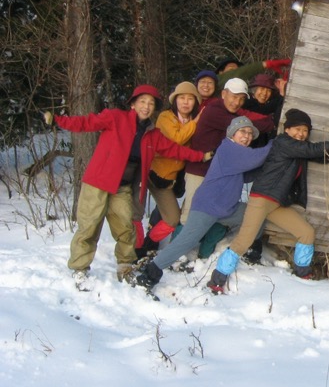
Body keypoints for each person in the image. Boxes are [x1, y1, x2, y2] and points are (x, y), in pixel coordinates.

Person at [42, 85, 211, 288]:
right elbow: (87, 122)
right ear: (133, 104)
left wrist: (201, 155)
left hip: (122, 187)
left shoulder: (152, 134)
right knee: (89, 227)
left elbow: (175, 150)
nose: (146, 107)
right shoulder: (115, 118)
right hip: (98, 182)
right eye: (142, 102)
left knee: (126, 227)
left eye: (151, 104)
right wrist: (58, 121)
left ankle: (125, 265)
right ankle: (80, 268)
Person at [207, 109, 329, 292]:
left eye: (305, 131)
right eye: (297, 129)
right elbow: (313, 149)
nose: (301, 134)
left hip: (276, 203)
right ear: (287, 130)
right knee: (244, 241)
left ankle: (303, 274)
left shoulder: (298, 148)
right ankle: (217, 280)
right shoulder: (284, 142)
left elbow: (321, 155)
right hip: (261, 199)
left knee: (306, 232)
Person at [135, 117, 273, 291]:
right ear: (233, 133)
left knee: (255, 216)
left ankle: (252, 251)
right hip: (208, 206)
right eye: (243, 132)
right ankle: (151, 271)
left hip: (227, 208)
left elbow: (247, 175)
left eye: (250, 134)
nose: (247, 136)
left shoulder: (237, 153)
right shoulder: (229, 148)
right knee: (187, 241)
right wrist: (276, 144)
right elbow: (257, 157)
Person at [181, 78, 275, 259]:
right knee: (190, 216)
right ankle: (181, 256)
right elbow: (247, 124)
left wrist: (268, 118)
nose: (236, 102)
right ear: (223, 94)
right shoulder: (214, 111)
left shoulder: (230, 110)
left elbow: (246, 116)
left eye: (241, 98)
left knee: (217, 214)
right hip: (199, 170)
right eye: (233, 97)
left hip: (217, 173)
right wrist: (269, 124)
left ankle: (202, 252)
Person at [135, 81, 203, 257]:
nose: (186, 102)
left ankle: (150, 241)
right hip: (153, 173)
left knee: (172, 218)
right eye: (182, 98)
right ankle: (138, 247)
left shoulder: (192, 121)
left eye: (190, 99)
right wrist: (195, 122)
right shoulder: (166, 117)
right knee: (135, 213)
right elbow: (176, 139)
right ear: (175, 100)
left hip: (171, 178)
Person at [242, 73, 286, 145]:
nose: (265, 93)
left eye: (268, 90)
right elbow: (264, 110)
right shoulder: (247, 103)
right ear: (254, 90)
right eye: (262, 89)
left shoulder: (264, 104)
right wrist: (281, 95)